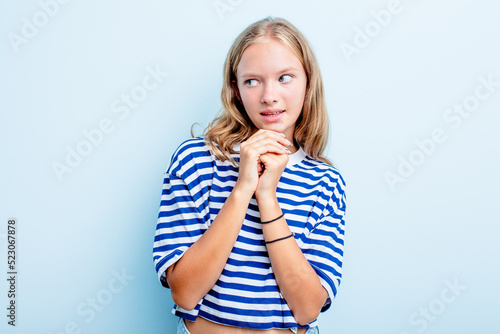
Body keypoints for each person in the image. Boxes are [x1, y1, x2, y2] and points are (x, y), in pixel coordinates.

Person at [153, 17, 347, 334]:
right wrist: (243, 188)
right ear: (236, 90)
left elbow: (307, 308)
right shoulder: (196, 161)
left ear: (308, 84)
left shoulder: (325, 182)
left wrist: (267, 197)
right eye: (252, 81)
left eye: (285, 78)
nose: (269, 96)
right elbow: (185, 293)